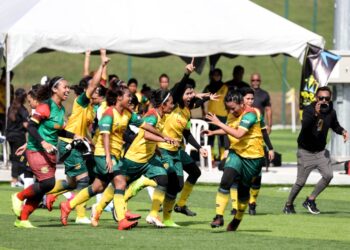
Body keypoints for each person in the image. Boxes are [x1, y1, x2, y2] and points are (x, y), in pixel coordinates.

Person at [45, 50, 110, 224]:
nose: (97, 92)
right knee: (85, 179)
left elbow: (83, 128)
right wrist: (102, 65)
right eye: (94, 90)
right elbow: (93, 84)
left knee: (73, 183)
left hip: (78, 144)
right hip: (69, 144)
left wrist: (89, 140)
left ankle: (50, 195)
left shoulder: (91, 108)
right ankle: (80, 215)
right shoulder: (81, 101)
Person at [11, 77, 81, 228]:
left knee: (45, 188)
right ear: (55, 89)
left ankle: (22, 220)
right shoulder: (45, 106)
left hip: (49, 153)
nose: (68, 90)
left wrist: (73, 136)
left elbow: (57, 131)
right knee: (48, 183)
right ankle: (18, 196)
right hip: (36, 151)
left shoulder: (60, 108)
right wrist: (42, 142)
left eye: (69, 87)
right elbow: (30, 127)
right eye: (65, 87)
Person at [204, 90, 265, 231]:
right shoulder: (232, 114)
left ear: (241, 104)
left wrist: (218, 124)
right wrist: (213, 132)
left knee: (243, 193)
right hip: (236, 152)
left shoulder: (250, 114)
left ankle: (237, 218)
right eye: (228, 108)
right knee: (226, 180)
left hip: (253, 158)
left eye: (233, 108)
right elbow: (230, 129)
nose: (231, 111)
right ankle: (218, 217)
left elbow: (238, 134)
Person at [283, 86, 348, 215]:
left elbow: (334, 125)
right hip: (305, 152)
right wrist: (316, 114)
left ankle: (310, 199)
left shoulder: (331, 111)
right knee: (300, 182)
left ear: (330, 99)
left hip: (320, 152)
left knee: (328, 175)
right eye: (321, 98)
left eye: (327, 98)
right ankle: (288, 204)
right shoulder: (308, 110)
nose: (324, 100)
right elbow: (305, 127)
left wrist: (343, 131)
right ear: (316, 98)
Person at [228, 87, 274, 216]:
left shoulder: (257, 112)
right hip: (239, 151)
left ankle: (252, 203)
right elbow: (228, 131)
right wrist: (227, 149)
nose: (250, 101)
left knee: (256, 179)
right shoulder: (234, 113)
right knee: (235, 178)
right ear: (241, 99)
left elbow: (264, 131)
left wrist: (270, 148)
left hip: (256, 151)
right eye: (247, 98)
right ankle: (234, 206)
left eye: (252, 98)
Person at [202, 68, 228, 162]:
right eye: (215, 75)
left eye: (218, 74)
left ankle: (222, 157)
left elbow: (229, 100)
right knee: (210, 137)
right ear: (212, 76)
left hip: (223, 115)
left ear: (221, 76)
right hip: (211, 115)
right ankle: (211, 158)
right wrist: (203, 111)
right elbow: (201, 98)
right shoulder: (208, 87)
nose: (216, 76)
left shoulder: (225, 87)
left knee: (222, 137)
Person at [6, 88, 29, 187]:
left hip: (10, 135)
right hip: (19, 136)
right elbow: (25, 124)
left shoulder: (10, 107)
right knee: (21, 158)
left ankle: (14, 180)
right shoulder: (22, 109)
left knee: (14, 158)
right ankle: (18, 179)